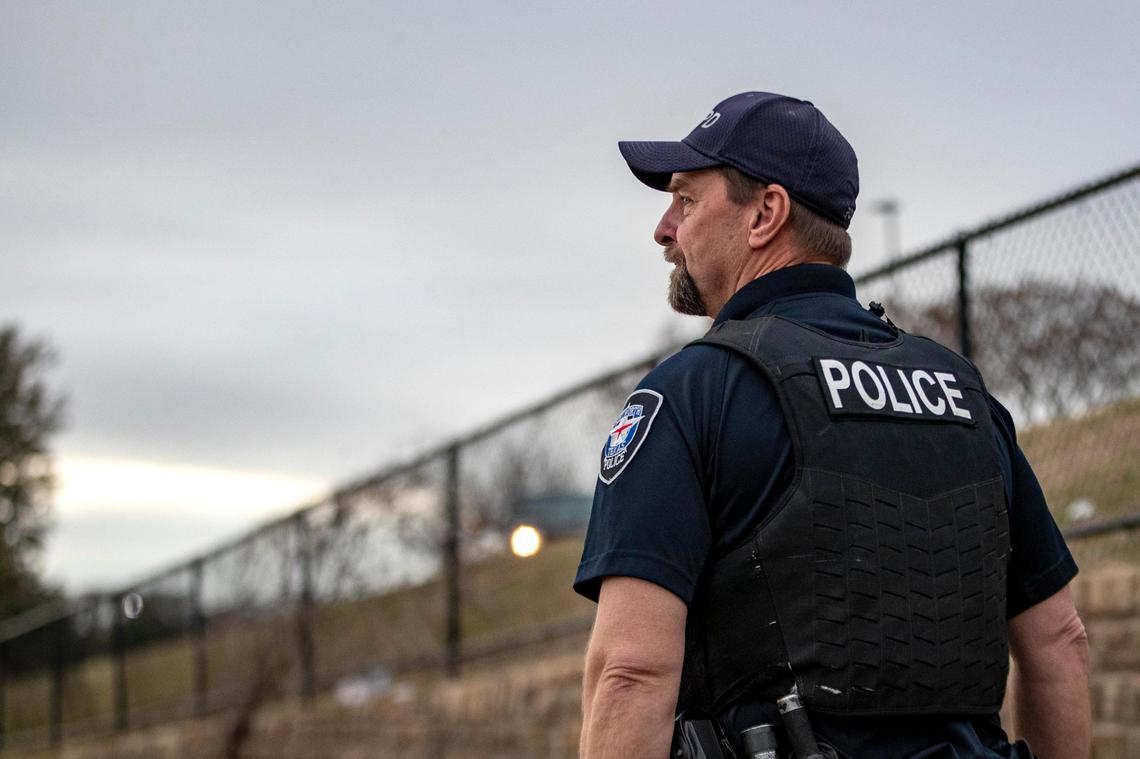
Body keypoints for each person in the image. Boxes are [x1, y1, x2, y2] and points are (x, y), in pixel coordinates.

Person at [574, 92, 1090, 759]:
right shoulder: (966, 397)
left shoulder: (693, 393)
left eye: (687, 200)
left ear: (766, 212)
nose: (664, 228)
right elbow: (1060, 642)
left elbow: (631, 673)